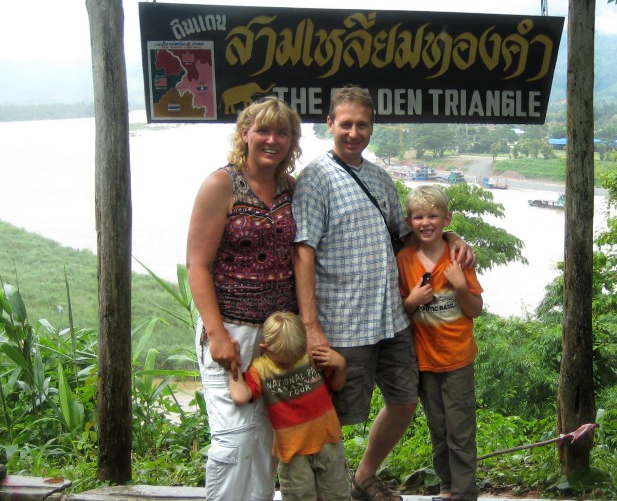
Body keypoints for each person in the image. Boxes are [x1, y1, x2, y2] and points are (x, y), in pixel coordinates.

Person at [292, 85, 475, 501]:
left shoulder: (377, 178)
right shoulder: (315, 179)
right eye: (346, 124)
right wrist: (311, 326)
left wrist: (452, 234)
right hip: (343, 321)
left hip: (392, 317)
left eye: (362, 125)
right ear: (330, 125)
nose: (354, 132)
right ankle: (327, 490)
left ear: (372, 127)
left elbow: (409, 235)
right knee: (335, 415)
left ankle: (363, 477)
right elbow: (303, 254)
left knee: (405, 399)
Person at [186, 97, 302, 501]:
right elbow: (197, 265)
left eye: (282, 132)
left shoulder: (292, 188)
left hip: (278, 337)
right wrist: (216, 334)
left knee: (265, 440)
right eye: (263, 131)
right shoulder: (222, 184)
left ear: (292, 140)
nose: (272, 139)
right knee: (234, 440)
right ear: (245, 134)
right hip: (230, 329)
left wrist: (448, 237)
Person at [398, 185, 484, 501]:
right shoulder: (404, 260)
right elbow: (400, 309)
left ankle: (464, 492)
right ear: (409, 222)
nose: (426, 222)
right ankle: (447, 487)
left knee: (461, 429)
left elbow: (475, 309)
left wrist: (461, 287)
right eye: (418, 217)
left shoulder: (458, 257)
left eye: (433, 216)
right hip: (425, 360)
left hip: (458, 358)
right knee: (439, 428)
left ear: (447, 219)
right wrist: (412, 301)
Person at [229, 311, 351, 501]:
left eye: (296, 356)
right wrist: (233, 365)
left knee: (338, 495)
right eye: (284, 360)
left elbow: (336, 386)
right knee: (299, 496)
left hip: (328, 442)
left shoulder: (312, 355)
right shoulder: (261, 368)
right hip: (292, 453)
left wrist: (341, 365)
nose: (291, 362)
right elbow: (240, 395)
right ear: (265, 348)